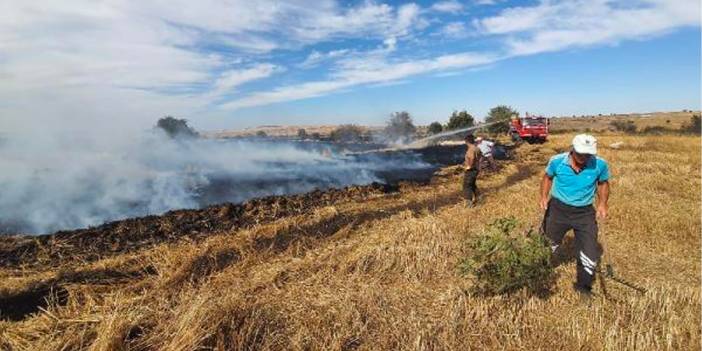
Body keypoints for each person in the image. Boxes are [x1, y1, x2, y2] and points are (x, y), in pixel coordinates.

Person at [540, 134, 610, 301]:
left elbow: (603, 183)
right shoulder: (557, 161)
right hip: (558, 209)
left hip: (584, 213)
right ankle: (538, 274)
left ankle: (584, 287)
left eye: (588, 155)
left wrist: (602, 204)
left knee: (589, 251)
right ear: (572, 149)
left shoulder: (599, 164)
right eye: (581, 154)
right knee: (546, 245)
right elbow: (547, 177)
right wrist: (543, 196)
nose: (584, 158)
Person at [463, 134, 482, 207]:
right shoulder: (477, 148)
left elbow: (472, 158)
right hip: (476, 169)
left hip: (471, 170)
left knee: (466, 186)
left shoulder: (471, 149)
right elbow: (480, 157)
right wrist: (479, 166)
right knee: (473, 185)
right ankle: (479, 199)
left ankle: (469, 204)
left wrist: (469, 166)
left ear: (467, 141)